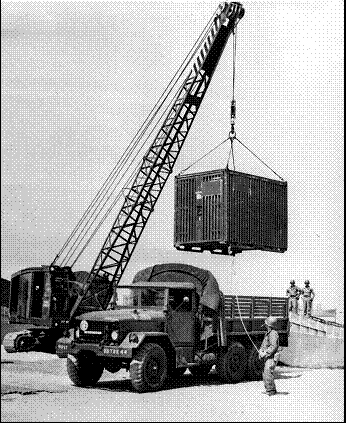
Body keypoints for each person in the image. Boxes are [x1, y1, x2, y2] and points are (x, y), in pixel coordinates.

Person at [258, 315, 280, 396]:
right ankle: (269, 389)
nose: (265, 326)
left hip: (271, 356)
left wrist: (265, 353)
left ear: (269, 326)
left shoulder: (273, 334)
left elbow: (273, 346)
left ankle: (271, 391)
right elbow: (265, 344)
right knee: (265, 373)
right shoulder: (269, 333)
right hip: (268, 356)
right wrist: (261, 350)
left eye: (266, 325)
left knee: (268, 372)